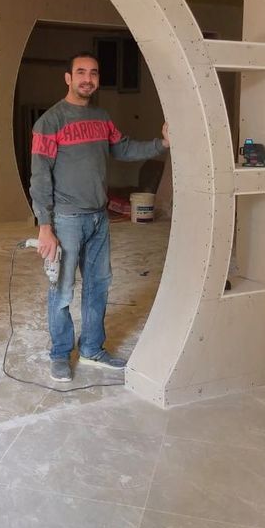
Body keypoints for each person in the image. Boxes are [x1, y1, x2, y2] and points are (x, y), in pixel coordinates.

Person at [30, 51, 170, 382]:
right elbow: (40, 177)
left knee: (98, 286)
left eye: (93, 73)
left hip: (98, 218)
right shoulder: (50, 122)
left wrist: (162, 144)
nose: (87, 78)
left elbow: (124, 149)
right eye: (80, 72)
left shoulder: (102, 117)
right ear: (68, 78)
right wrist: (45, 227)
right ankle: (60, 354)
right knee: (62, 288)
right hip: (66, 219)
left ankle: (92, 349)